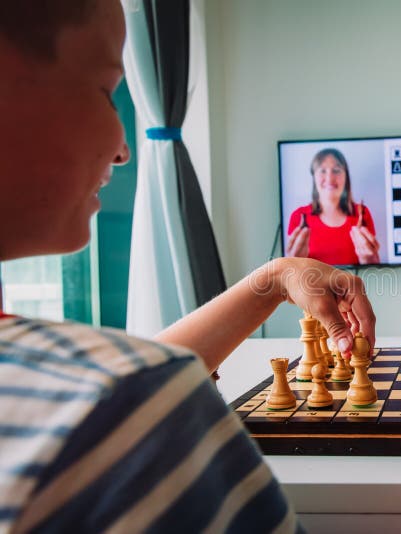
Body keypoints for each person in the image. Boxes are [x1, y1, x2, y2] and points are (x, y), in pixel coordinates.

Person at [0, 1, 375, 532]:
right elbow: (132, 398)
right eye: (108, 92)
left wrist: (271, 281)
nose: (124, 149)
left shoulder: (113, 400)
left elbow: (131, 388)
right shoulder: (119, 408)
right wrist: (157, 390)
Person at [286, 148, 381, 265]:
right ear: (314, 176)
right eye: (322, 171)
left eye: (336, 170)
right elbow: (291, 276)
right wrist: (292, 264)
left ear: (346, 177)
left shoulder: (362, 213)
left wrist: (370, 261)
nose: (330, 178)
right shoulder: (298, 216)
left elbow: (373, 271)